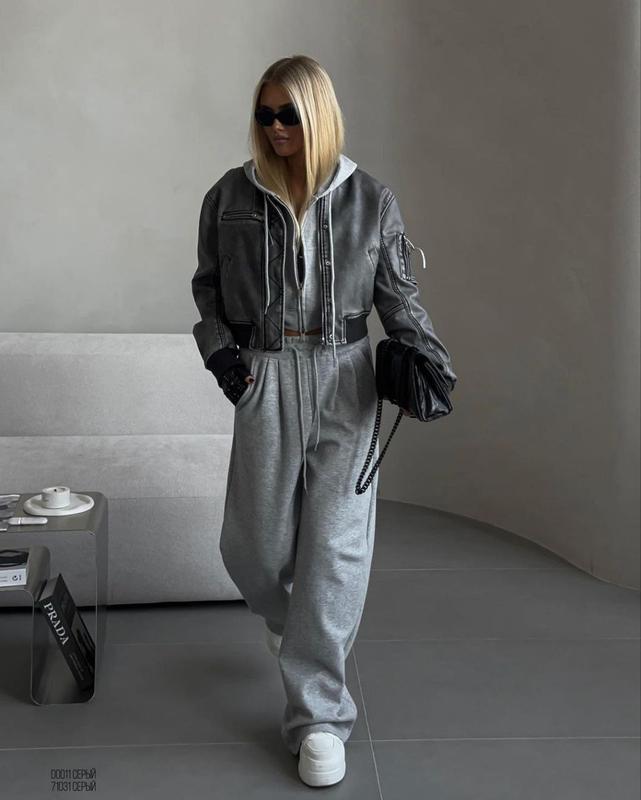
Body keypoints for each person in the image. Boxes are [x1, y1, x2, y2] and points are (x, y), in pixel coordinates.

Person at [191, 54, 456, 788]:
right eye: (265, 114)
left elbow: (398, 297)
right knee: (251, 547)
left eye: (289, 114)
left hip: (347, 378)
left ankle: (318, 720)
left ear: (319, 115)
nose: (276, 127)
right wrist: (221, 354)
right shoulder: (229, 195)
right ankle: (294, 622)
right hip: (265, 373)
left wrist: (429, 360)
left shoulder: (370, 199)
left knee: (335, 551)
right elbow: (207, 290)